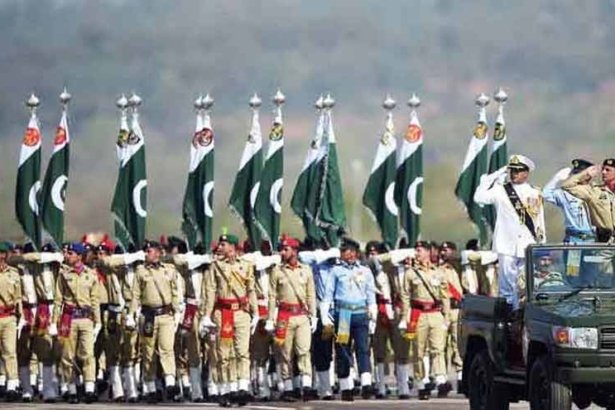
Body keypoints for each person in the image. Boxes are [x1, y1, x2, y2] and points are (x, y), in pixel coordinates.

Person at [474, 154, 546, 309]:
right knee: (506, 285)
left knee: (526, 283)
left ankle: (522, 311)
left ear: (526, 173)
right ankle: (508, 313)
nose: (514, 174)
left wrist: (541, 243)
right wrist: (495, 174)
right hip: (506, 243)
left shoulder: (535, 192)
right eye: (511, 170)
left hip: (528, 243)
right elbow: (478, 197)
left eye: (518, 171)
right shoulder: (500, 190)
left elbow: (539, 220)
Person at [199, 234, 259, 407]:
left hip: (241, 312)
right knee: (224, 354)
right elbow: (211, 291)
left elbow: (251, 290)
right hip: (223, 312)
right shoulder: (216, 266)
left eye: (223, 244)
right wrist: (206, 315)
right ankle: (226, 388)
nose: (219, 247)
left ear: (232, 246)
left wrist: (255, 313)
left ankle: (242, 387)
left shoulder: (246, 265)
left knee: (242, 352)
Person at [321, 237, 377, 402]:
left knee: (363, 349)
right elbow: (328, 295)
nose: (350, 254)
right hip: (344, 315)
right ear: (341, 253)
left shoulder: (365, 271)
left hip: (360, 314)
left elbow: (370, 294)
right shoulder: (336, 271)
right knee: (343, 350)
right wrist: (325, 316)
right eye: (346, 251)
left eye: (353, 251)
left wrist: (373, 315)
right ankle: (346, 386)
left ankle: (366, 383)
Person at [126, 240, 181, 403]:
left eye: (149, 251)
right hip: (148, 315)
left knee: (167, 348)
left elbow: (175, 292)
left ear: (158, 252)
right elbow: (135, 295)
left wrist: (178, 311)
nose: (147, 254)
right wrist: (131, 314)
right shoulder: (141, 271)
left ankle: (170, 382)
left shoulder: (169, 269)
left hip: (165, 315)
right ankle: (150, 387)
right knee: (148, 352)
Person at [265, 236, 316, 402]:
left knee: (303, 350)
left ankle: (306, 385)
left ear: (294, 251)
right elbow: (272, 296)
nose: (282, 252)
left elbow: (310, 294)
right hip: (284, 316)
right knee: (285, 353)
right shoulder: (277, 271)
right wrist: (270, 318)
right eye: (281, 249)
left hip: (301, 315)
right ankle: (288, 387)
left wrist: (313, 315)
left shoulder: (306, 269)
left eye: (285, 249)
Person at [50, 242, 101, 404]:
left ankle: (89, 388)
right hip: (68, 318)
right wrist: (54, 322)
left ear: (79, 256)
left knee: (88, 354)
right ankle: (71, 389)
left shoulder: (91, 274)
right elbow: (58, 300)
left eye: (71, 253)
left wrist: (98, 322)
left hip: (86, 319)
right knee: (67, 355)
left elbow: (95, 300)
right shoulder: (63, 275)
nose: (67, 256)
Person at [398, 241, 450, 400]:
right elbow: (405, 296)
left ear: (428, 252)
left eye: (419, 250)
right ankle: (421, 382)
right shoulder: (410, 273)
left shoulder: (439, 272)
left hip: (435, 313)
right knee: (419, 350)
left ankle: (440, 379)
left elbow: (445, 296)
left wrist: (446, 317)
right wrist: (405, 317)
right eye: (416, 251)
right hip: (418, 314)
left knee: (438, 348)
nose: (417, 254)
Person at [561, 159, 615, 243]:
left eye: (608, 170)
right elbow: (567, 186)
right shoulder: (594, 191)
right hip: (605, 242)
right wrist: (586, 173)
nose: (603, 172)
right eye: (603, 169)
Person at [543, 159, 595, 243]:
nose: (575, 176)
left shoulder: (595, 192)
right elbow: (545, 194)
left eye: (579, 174)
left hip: (593, 239)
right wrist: (556, 178)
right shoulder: (566, 194)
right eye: (575, 173)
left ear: (588, 176)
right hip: (573, 239)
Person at [0, 242, 24, 402]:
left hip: (9, 317)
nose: (1, 257)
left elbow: (18, 297)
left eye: (4, 253)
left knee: (10, 352)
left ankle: (12, 385)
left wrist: (21, 316)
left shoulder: (14, 274)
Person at [439, 242, 463, 390]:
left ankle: (460, 377)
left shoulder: (461, 267)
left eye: (447, 250)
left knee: (457, 344)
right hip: (444, 311)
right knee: (441, 345)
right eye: (442, 250)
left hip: (458, 309)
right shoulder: (439, 270)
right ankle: (443, 378)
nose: (444, 253)